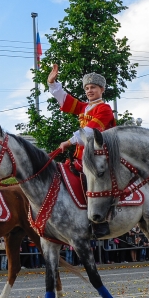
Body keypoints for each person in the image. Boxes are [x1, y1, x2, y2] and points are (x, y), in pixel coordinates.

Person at [47, 64, 116, 238]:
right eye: (86, 88)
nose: (89, 90)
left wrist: (69, 142)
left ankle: (99, 221)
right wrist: (53, 83)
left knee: (90, 181)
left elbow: (91, 131)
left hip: (100, 156)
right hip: (83, 156)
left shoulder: (105, 109)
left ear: (102, 89)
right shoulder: (85, 107)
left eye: (93, 87)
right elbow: (65, 100)